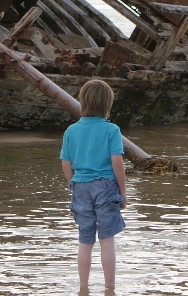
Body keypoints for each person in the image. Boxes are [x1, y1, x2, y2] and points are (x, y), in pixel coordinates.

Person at [60, 79, 127, 290]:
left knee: (85, 240)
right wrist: (123, 192)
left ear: (82, 103)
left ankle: (83, 288)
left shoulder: (71, 131)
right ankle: (109, 288)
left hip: (80, 186)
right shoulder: (111, 130)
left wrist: (74, 184)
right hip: (105, 186)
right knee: (107, 239)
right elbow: (117, 162)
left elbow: (66, 163)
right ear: (107, 105)